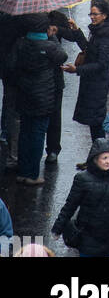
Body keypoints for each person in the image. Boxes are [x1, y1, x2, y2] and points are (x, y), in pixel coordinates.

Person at [52, 139, 109, 259]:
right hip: (88, 235)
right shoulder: (82, 179)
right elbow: (70, 205)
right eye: (104, 158)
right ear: (95, 159)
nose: (108, 161)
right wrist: (58, 228)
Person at [9, 14, 66, 185]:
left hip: (24, 95)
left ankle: (23, 171)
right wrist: (54, 36)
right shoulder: (49, 46)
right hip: (43, 97)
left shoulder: (21, 44)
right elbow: (62, 56)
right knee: (38, 134)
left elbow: (12, 65)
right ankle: (33, 174)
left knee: (25, 132)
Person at [66, 0, 109, 146]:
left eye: (95, 14)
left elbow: (102, 64)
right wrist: (77, 31)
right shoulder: (98, 31)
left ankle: (100, 154)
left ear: (104, 15)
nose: (92, 17)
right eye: (91, 13)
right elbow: (89, 50)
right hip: (92, 82)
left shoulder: (105, 36)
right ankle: (96, 155)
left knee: (96, 123)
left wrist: (77, 69)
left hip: (97, 84)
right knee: (94, 122)